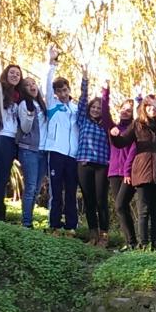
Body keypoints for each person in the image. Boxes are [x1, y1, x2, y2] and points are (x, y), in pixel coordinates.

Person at [111, 95, 156, 249]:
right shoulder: (137, 125)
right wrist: (114, 135)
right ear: (144, 108)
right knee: (143, 210)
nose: (152, 109)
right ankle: (143, 244)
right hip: (142, 174)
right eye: (149, 106)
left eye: (155, 107)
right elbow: (122, 142)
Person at [41, 45, 79, 235]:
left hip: (72, 155)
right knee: (56, 191)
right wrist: (52, 63)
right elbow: (45, 85)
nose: (63, 94)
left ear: (69, 89)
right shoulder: (52, 105)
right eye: (59, 91)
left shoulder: (76, 108)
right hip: (55, 151)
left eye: (65, 90)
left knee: (71, 191)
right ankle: (54, 224)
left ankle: (71, 226)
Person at [75, 71, 113, 246]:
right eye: (94, 107)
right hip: (84, 163)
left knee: (100, 200)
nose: (96, 110)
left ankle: (104, 235)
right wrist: (85, 81)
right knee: (88, 200)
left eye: (99, 108)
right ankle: (93, 234)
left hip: (102, 165)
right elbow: (82, 100)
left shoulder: (105, 125)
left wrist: (106, 90)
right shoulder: (83, 120)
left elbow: (106, 106)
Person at [0, 63, 24, 220]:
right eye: (12, 73)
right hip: (1, 136)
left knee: (4, 175)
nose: (15, 76)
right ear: (5, 74)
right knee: (2, 175)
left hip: (12, 139)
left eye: (18, 74)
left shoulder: (19, 96)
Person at [15, 76, 48, 228]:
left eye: (33, 83)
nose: (31, 86)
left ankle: (29, 220)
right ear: (24, 89)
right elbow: (25, 129)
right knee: (30, 187)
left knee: (36, 188)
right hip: (29, 150)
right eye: (27, 85)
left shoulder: (42, 104)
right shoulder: (24, 104)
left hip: (42, 151)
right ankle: (26, 223)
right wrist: (29, 114)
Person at [108, 97, 138, 249]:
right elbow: (105, 112)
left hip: (128, 173)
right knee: (121, 208)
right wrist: (105, 91)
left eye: (129, 110)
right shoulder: (114, 128)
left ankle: (132, 242)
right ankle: (129, 242)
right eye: (123, 109)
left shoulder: (134, 129)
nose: (125, 112)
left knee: (120, 205)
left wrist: (128, 171)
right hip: (113, 172)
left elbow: (133, 152)